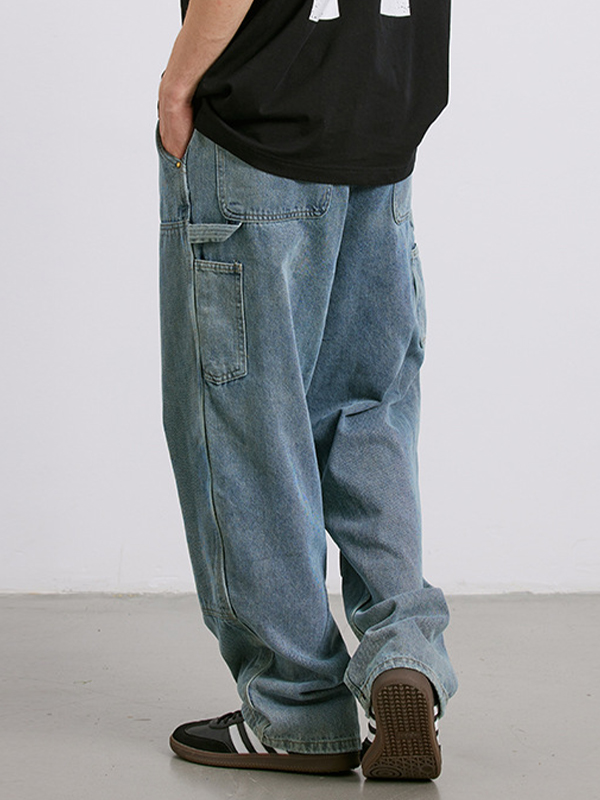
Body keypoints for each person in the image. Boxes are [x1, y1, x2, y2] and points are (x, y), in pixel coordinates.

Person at [157, 0, 458, 780]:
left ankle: (295, 711)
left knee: (247, 426)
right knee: (366, 416)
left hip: (263, 121)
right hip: (383, 114)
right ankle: (405, 656)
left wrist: (177, 84)